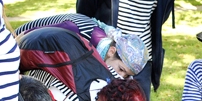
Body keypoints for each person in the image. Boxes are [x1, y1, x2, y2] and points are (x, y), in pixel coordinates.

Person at [16, 13, 149, 79]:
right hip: (23, 44)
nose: (120, 76)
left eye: (125, 75)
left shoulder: (99, 48)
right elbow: (36, 36)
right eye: (121, 69)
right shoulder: (84, 35)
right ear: (112, 51)